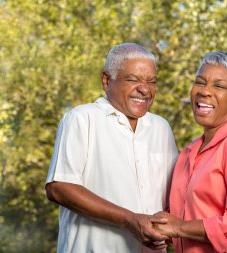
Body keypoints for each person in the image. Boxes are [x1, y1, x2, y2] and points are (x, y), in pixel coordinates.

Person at [45, 43, 178, 253]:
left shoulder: (161, 128)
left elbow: (173, 195)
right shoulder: (82, 118)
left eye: (151, 81)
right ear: (106, 81)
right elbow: (59, 188)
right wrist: (130, 220)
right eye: (133, 79)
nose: (145, 89)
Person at [153, 52, 227, 252]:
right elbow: (187, 216)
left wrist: (178, 228)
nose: (205, 91)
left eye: (218, 86)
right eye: (200, 82)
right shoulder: (188, 153)